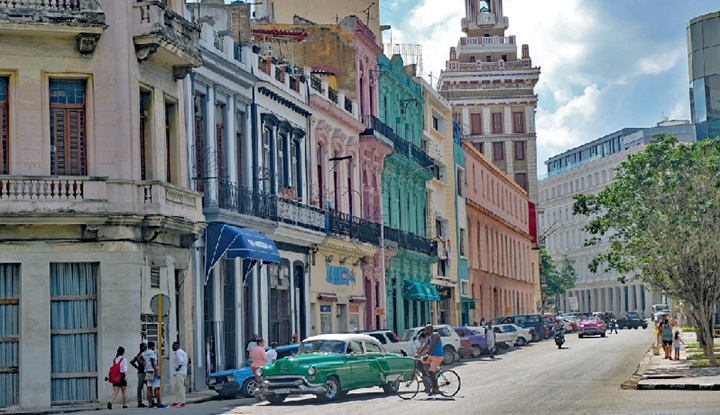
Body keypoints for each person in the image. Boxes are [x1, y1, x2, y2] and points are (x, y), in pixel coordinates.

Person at [414, 325, 442, 396]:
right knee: (419, 362)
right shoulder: (429, 337)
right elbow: (426, 345)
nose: (425, 331)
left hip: (437, 356)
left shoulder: (435, 335)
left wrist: (428, 354)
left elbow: (433, 344)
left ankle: (435, 388)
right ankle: (425, 375)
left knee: (431, 371)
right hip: (432, 356)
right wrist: (418, 353)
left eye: (426, 330)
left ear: (429, 330)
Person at [143, 341, 166, 408]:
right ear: (153, 346)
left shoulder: (145, 353)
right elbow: (153, 363)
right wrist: (157, 372)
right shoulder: (151, 353)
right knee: (157, 388)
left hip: (148, 371)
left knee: (149, 387)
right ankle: (159, 403)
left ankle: (150, 404)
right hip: (153, 370)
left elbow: (141, 359)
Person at [129, 343, 152, 408]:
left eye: (146, 347)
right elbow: (132, 362)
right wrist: (137, 367)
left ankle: (151, 400)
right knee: (141, 387)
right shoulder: (140, 355)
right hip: (142, 373)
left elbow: (132, 362)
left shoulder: (144, 354)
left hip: (146, 372)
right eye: (144, 347)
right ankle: (140, 402)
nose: (146, 348)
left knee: (149, 387)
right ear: (141, 348)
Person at [171, 342, 188, 408]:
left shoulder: (178, 352)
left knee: (180, 387)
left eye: (173, 346)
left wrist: (178, 368)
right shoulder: (183, 352)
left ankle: (182, 401)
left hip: (180, 372)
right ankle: (176, 401)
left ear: (177, 346)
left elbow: (181, 361)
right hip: (183, 371)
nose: (172, 347)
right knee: (177, 387)